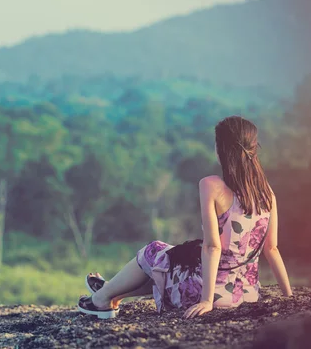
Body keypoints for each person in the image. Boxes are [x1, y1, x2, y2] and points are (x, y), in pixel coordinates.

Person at [77, 116, 293, 319]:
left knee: (154, 251)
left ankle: (101, 299)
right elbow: (272, 249)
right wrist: (289, 296)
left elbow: (212, 247)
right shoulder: (267, 194)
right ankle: (113, 293)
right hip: (247, 293)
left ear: (221, 150)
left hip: (210, 293)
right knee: (174, 259)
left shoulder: (211, 185)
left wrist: (207, 301)